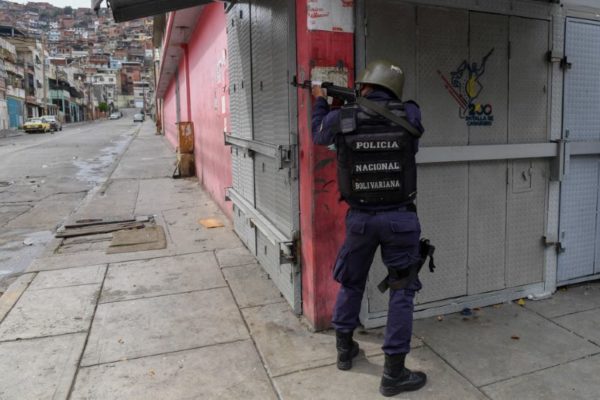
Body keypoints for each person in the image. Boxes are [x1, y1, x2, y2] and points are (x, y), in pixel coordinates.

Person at [311, 60, 427, 397]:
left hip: (360, 219)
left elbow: (320, 133)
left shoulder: (342, 118)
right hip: (400, 220)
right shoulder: (409, 115)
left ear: (364, 87)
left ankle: (345, 350)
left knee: (352, 281)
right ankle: (393, 374)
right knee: (402, 292)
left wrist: (322, 99)